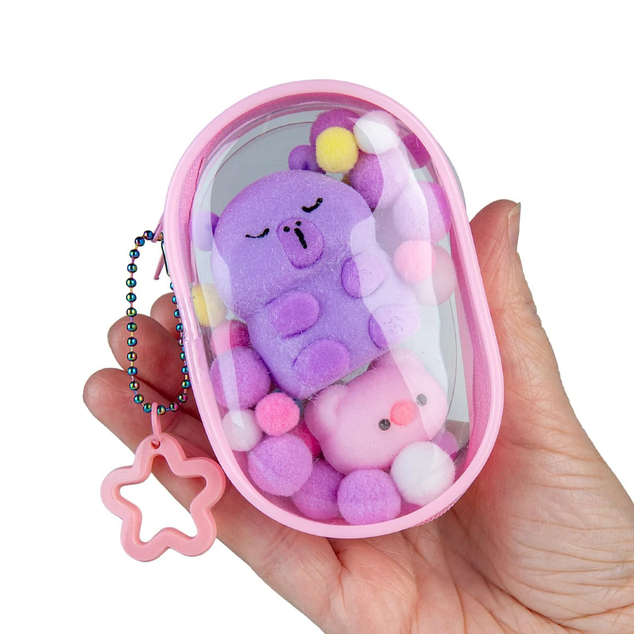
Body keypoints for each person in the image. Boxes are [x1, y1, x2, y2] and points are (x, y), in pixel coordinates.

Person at [84, 200, 634, 633]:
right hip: (325, 389)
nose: (293, 231)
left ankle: (347, 346)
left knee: (357, 318)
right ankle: (332, 356)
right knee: (314, 352)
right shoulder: (283, 337)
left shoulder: (368, 271)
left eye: (313, 209)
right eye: (260, 236)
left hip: (358, 382)